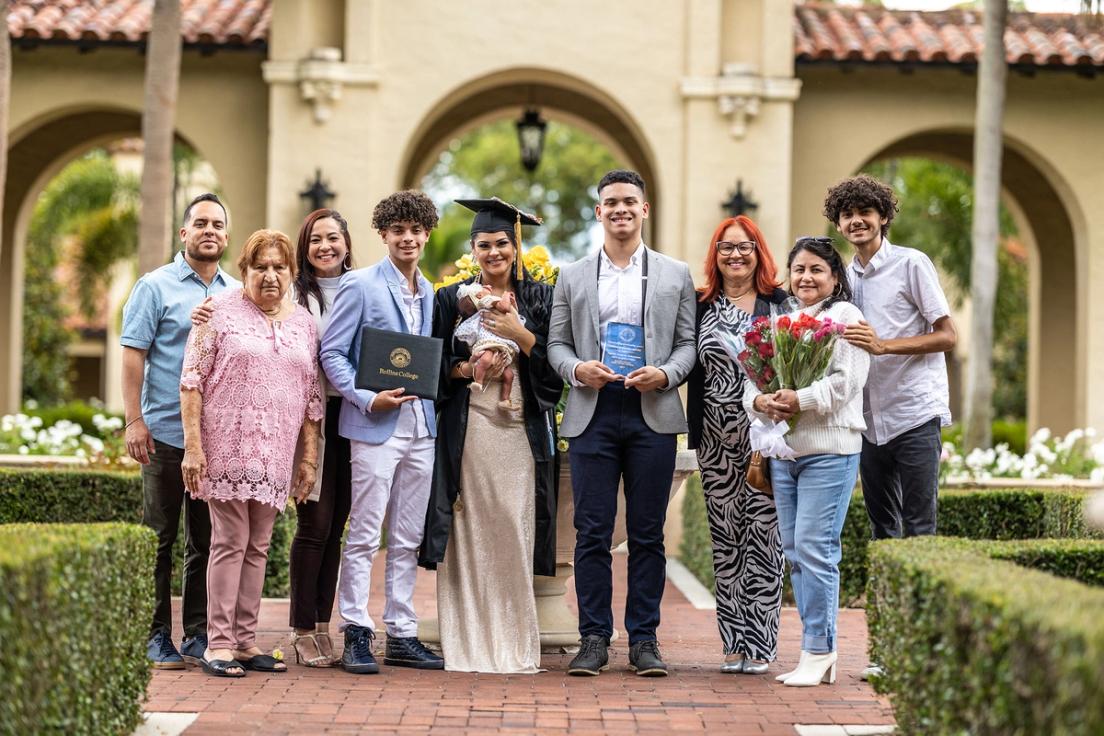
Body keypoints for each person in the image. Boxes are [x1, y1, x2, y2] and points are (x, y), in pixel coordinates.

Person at [548, 170, 697, 677]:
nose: (620, 210)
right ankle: (593, 638)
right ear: (598, 212)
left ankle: (644, 640)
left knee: (647, 533)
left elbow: (687, 345)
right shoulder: (571, 275)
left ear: (644, 209)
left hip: (651, 411)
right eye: (610, 202)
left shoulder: (675, 274)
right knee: (592, 532)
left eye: (629, 202)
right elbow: (556, 344)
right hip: (593, 409)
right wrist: (576, 369)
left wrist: (666, 374)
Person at [419, 198, 563, 674]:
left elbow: (556, 374)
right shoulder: (450, 299)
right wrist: (465, 368)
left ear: (516, 245)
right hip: (471, 429)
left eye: (503, 243)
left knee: (512, 530)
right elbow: (434, 366)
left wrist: (520, 336)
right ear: (473, 248)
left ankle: (514, 640)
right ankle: (468, 640)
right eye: (484, 244)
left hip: (521, 431)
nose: (494, 252)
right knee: (470, 531)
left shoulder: (542, 297)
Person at [823, 174, 956, 680]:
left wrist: (886, 346)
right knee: (883, 534)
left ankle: (923, 653)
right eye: (847, 214)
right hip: (867, 422)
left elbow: (947, 335)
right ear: (839, 222)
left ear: (882, 216)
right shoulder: (845, 279)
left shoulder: (911, 263)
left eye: (865, 212)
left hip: (913, 413)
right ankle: (886, 650)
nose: (856, 221)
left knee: (920, 532)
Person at [179, 229, 322, 678]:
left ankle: (244, 642)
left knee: (259, 545)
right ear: (244, 271)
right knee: (230, 541)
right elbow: (191, 383)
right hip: (226, 448)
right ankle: (217, 646)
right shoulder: (216, 313)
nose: (271, 275)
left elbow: (312, 397)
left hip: (275, 453)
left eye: (280, 267)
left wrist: (308, 459)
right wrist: (193, 448)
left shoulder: (303, 323)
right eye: (261, 266)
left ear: (292, 274)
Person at [320, 190, 444, 674]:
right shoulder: (360, 284)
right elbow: (332, 353)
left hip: (421, 427)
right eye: (398, 231)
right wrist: (367, 398)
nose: (407, 238)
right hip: (373, 423)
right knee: (365, 534)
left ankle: (402, 632)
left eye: (415, 230)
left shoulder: (431, 291)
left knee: (407, 537)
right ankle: (355, 630)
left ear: (426, 234)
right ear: (384, 234)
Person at [743, 237, 870, 688]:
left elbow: (846, 383)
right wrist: (763, 400)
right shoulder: (783, 321)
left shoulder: (846, 318)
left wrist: (799, 398)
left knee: (816, 550)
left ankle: (819, 650)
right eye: (799, 269)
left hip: (830, 453)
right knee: (796, 551)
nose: (806, 277)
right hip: (785, 454)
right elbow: (751, 386)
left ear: (835, 277)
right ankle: (819, 651)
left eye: (817, 269)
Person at [120, 193, 238, 669]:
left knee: (206, 541)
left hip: (214, 442)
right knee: (160, 538)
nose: (209, 230)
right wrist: (134, 420)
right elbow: (134, 354)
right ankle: (155, 636)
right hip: (166, 435)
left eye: (217, 225)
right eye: (200, 223)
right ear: (184, 233)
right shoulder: (155, 286)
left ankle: (196, 633)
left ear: (226, 237)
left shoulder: (237, 292)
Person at [684, 215, 788, 675]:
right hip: (714, 438)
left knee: (766, 536)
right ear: (715, 255)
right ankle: (733, 642)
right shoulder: (700, 305)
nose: (735, 255)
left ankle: (760, 644)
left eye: (744, 247)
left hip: (764, 437)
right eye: (726, 248)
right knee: (726, 538)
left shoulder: (777, 304)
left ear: (758, 251)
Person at [286, 209, 355, 666]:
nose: (324, 246)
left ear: (347, 243)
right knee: (314, 522)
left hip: (354, 413)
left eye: (333, 238)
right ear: (304, 247)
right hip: (307, 418)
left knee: (337, 527)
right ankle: (301, 627)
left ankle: (323, 623)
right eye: (315, 240)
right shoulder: (294, 294)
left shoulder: (363, 288)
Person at [454, 282, 520, 408]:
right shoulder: (487, 300)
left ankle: (505, 400)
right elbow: (505, 307)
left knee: (509, 375)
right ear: (479, 296)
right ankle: (478, 382)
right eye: (482, 289)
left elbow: (514, 313)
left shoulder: (487, 306)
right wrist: (506, 295)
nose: (487, 287)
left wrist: (513, 302)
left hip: (501, 347)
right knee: (485, 359)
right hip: (489, 344)